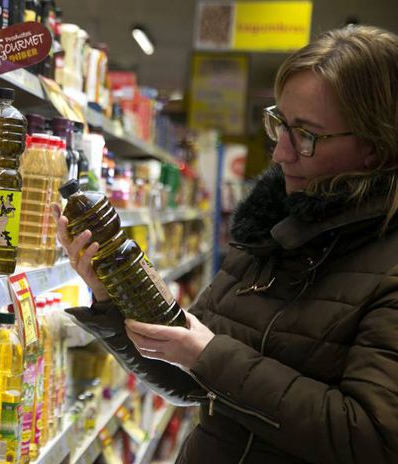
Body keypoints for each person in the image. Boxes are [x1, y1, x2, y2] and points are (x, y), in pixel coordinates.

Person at [52, 25, 398, 463]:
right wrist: (112, 297)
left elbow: (373, 439)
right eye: (280, 124)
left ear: (374, 146)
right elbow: (190, 380)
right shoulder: (269, 235)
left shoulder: (388, 267)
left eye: (307, 135)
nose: (280, 153)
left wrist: (210, 356)